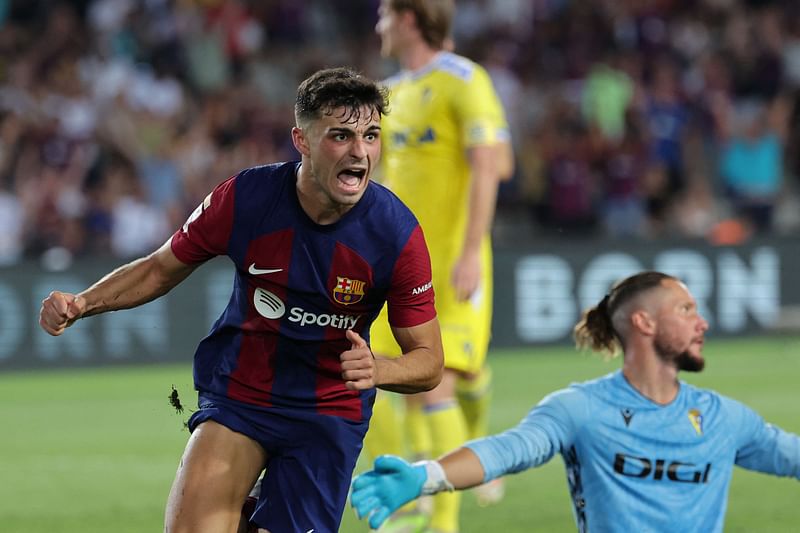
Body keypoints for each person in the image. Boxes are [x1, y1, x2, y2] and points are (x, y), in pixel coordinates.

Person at [38, 67, 444, 533]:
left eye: (371, 136)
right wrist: (83, 303)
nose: (360, 151)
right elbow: (159, 267)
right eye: (341, 135)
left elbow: (430, 361)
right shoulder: (247, 197)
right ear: (302, 140)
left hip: (327, 414)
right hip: (242, 399)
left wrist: (381, 368)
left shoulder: (396, 233)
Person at [351, 271, 800, 532]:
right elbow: (510, 449)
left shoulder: (724, 419)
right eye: (686, 310)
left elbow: (791, 456)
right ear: (643, 322)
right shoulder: (582, 409)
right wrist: (426, 476)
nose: (702, 323)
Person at [364, 1, 514, 530]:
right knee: (381, 379)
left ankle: (443, 522)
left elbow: (495, 163)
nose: (378, 25)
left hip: (453, 263)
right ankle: (409, 502)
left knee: (440, 380)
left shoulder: (463, 79)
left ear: (408, 19)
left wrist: (472, 250)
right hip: (397, 265)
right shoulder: (391, 94)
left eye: (384, 14)